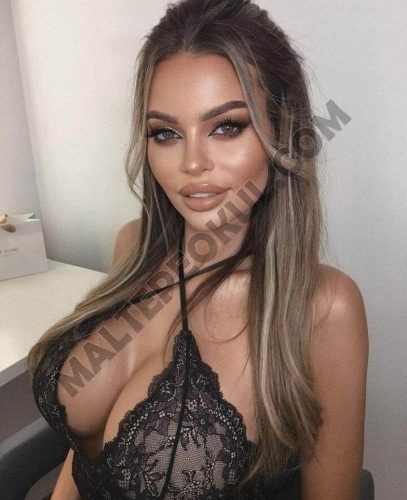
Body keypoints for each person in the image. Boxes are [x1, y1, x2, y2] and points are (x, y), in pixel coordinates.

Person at [27, 0, 369, 498]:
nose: (191, 163)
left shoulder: (323, 308)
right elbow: (84, 452)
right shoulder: (132, 247)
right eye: (165, 133)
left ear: (281, 133)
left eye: (226, 126)